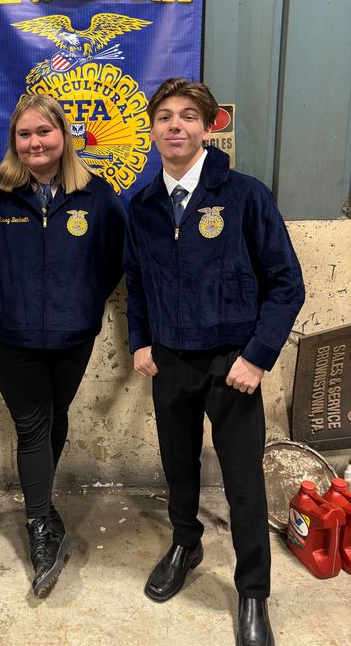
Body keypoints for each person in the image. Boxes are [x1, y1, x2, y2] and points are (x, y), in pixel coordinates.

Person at [123, 78, 304, 646]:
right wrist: (141, 340)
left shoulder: (245, 195)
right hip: (171, 361)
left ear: (209, 127)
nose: (175, 126)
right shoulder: (144, 204)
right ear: (151, 129)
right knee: (178, 466)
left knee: (244, 482)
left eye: (188, 117)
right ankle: (185, 542)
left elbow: (286, 284)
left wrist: (257, 357)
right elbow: (137, 282)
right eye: (165, 117)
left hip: (233, 365)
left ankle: (253, 591)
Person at [0, 94, 126, 597]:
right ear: (13, 141)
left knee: (56, 415)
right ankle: (40, 528)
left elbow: (113, 258)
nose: (34, 142)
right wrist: (2, 307)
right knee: (32, 425)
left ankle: (42, 500)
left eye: (43, 133)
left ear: (63, 136)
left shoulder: (97, 195)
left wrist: (83, 304)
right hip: (14, 337)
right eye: (24, 134)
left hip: (73, 337)